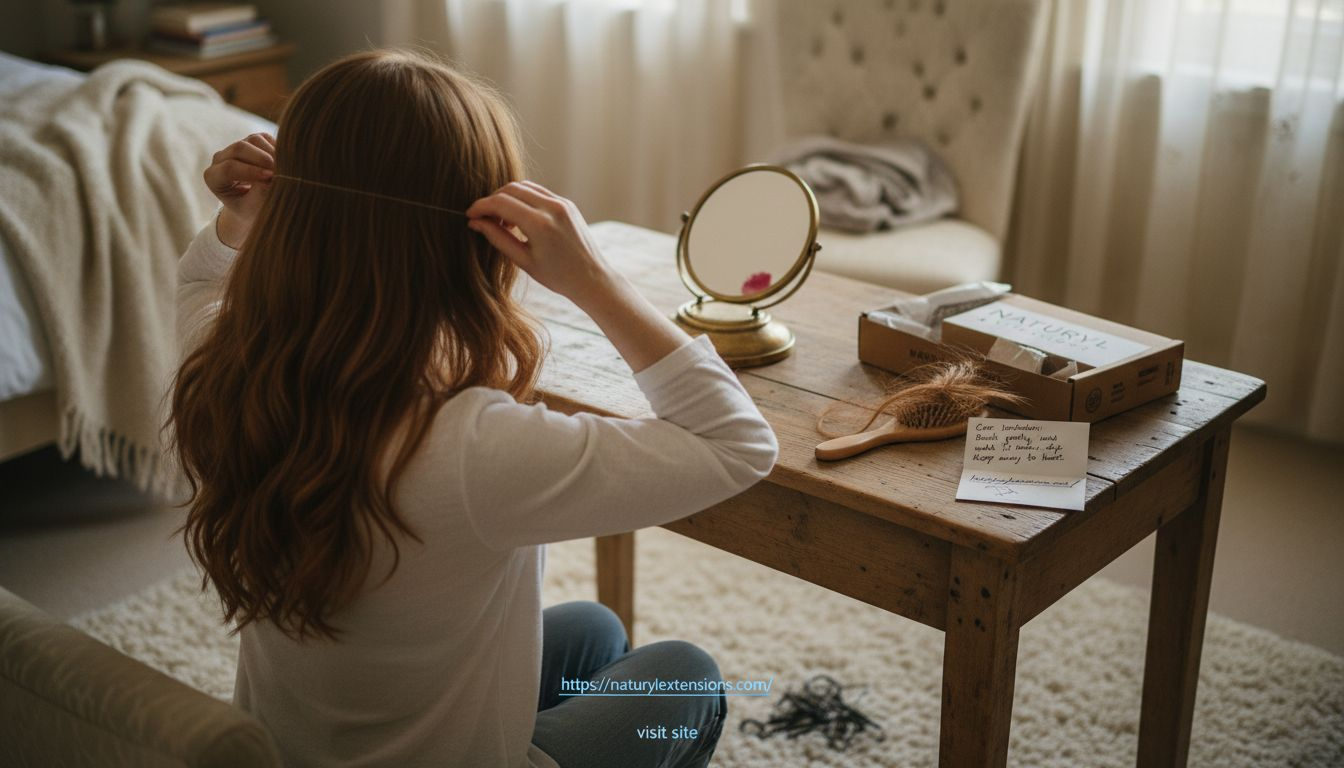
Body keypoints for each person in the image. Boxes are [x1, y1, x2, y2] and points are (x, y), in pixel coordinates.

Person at [167, 49, 777, 767]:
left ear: (292, 212)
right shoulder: (464, 444)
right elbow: (736, 445)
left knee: (594, 631)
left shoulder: (224, 364)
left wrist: (240, 217)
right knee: (686, 677)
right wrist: (594, 278)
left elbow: (200, 282)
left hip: (293, 753)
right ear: (468, 240)